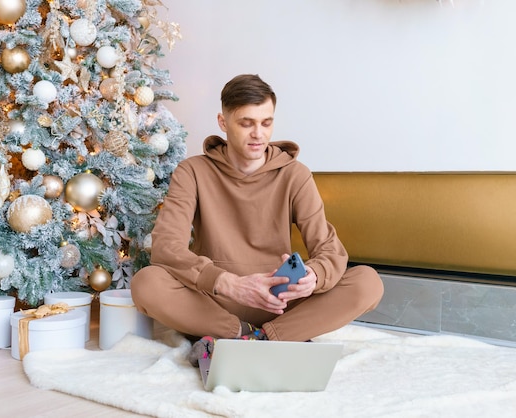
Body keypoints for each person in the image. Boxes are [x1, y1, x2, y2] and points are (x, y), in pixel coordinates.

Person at [130, 74, 384, 366]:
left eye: (266, 123)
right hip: (215, 300)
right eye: (246, 123)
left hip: (282, 302)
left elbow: (330, 250)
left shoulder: (295, 174)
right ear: (223, 123)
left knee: (368, 282)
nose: (259, 134)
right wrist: (228, 283)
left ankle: (261, 339)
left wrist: (313, 277)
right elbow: (166, 247)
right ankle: (247, 334)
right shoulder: (193, 171)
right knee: (146, 283)